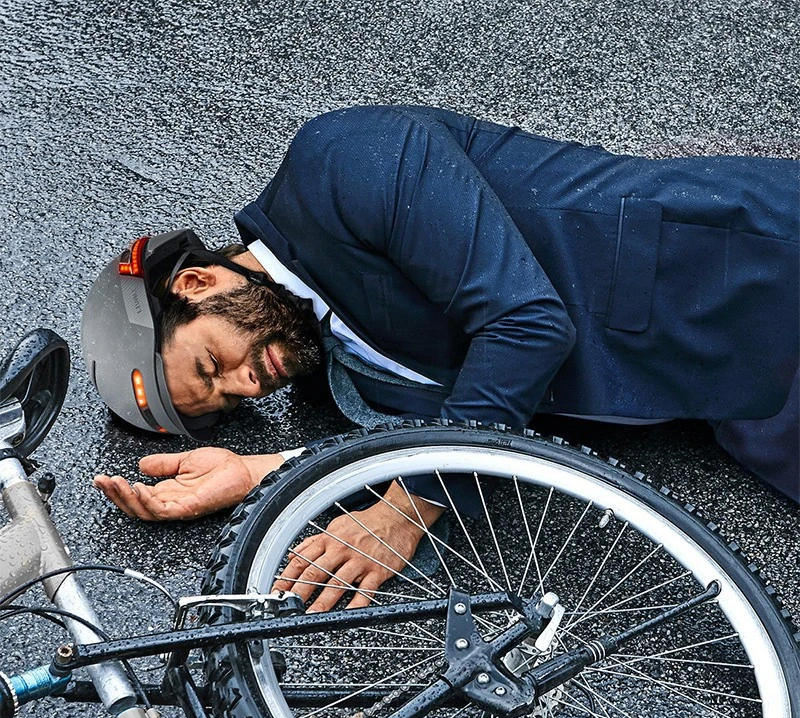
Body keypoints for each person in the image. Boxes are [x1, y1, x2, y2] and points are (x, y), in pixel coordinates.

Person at [82, 105, 799, 612]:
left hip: (752, 273)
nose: (246, 385)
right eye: (229, 401)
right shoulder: (343, 375)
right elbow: (467, 427)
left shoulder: (339, 163)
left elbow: (527, 326)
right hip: (736, 405)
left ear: (197, 284)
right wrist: (259, 472)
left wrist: (409, 507)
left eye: (212, 364)